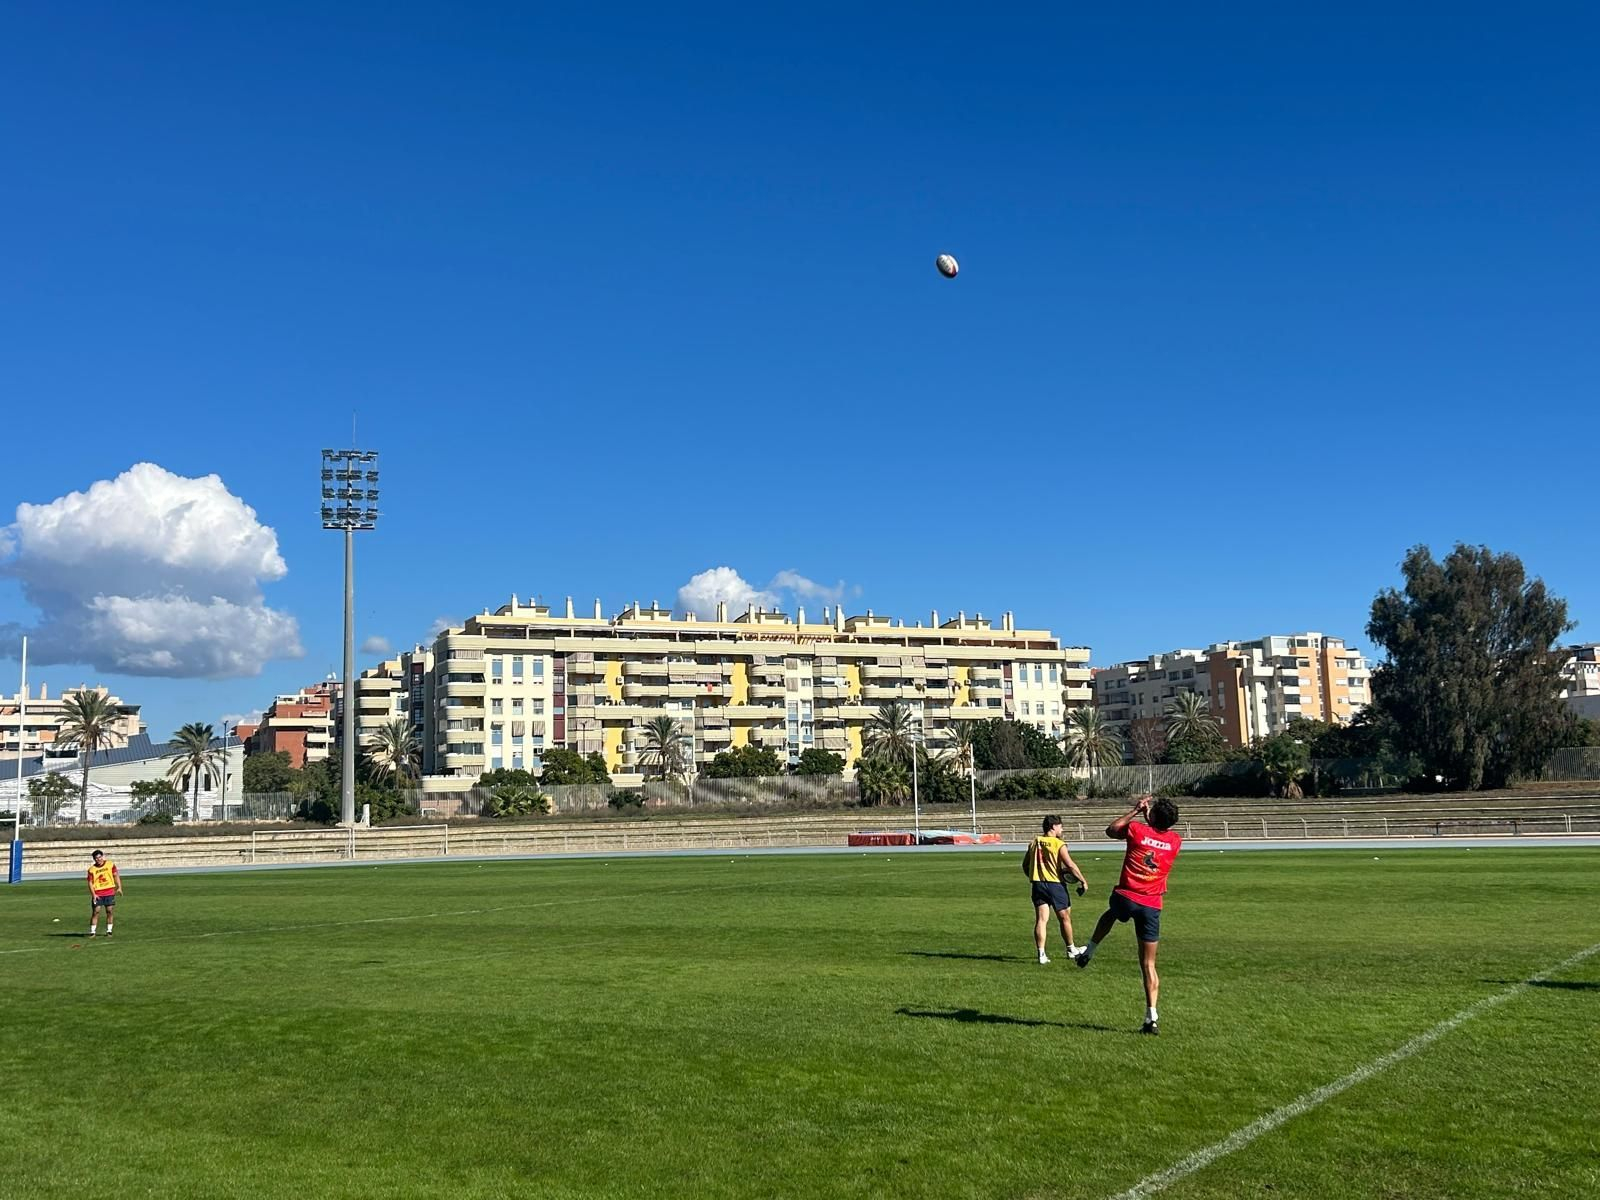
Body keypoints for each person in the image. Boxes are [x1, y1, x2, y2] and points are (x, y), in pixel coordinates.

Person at [1074, 795, 1182, 1035]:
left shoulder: (1136, 830)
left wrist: (1135, 811)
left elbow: (1112, 830)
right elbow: (1157, 836)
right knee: (1148, 964)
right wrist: (1150, 817)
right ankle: (1151, 1017)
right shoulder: (1175, 841)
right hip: (1151, 904)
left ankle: (1089, 951)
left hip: (1127, 895)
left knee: (1111, 914)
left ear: (1152, 817)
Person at [1021, 814, 1089, 964]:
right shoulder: (1058, 844)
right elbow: (1070, 865)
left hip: (1038, 885)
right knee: (1064, 918)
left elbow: (1025, 865)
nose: (1062, 829)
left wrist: (1033, 876)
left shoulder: (1034, 842)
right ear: (1053, 827)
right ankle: (1071, 949)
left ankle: (1041, 954)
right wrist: (1083, 881)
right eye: (1060, 826)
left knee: (1041, 919)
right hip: (1055, 885)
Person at [86, 850, 122, 938]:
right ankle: (92, 932)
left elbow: (116, 875)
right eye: (96, 858)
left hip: (109, 892)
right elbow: (90, 883)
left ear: (102, 856)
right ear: (94, 859)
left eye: (99, 857)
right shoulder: (92, 870)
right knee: (96, 912)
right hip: (98, 893)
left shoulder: (110, 864)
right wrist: (93, 894)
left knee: (109, 911)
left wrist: (119, 887)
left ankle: (109, 931)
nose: (98, 859)